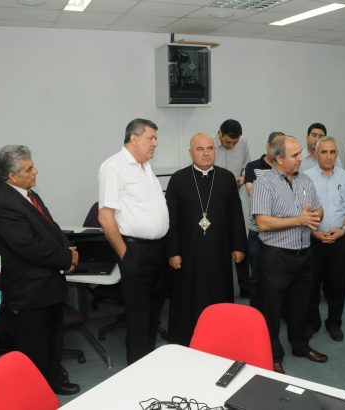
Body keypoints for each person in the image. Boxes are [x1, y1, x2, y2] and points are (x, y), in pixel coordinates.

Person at [0, 145, 80, 395]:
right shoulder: (4, 204)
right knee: (36, 347)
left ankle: (53, 380)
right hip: (30, 292)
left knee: (52, 339)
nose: (35, 171)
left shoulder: (28, 194)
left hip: (47, 287)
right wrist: (66, 258)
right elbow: (29, 247)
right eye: (29, 169)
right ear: (12, 176)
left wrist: (68, 249)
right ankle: (38, 392)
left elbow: (51, 227)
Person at [252, 135, 326, 374]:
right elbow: (263, 223)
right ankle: (273, 356)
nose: (301, 158)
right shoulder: (264, 183)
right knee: (272, 310)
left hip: (304, 255)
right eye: (295, 155)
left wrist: (314, 216)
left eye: (300, 153)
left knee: (300, 305)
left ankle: (300, 346)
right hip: (276, 256)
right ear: (279, 158)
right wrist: (299, 220)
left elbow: (319, 209)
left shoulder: (305, 180)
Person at [98, 118, 169, 364]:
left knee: (154, 312)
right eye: (151, 138)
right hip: (135, 250)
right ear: (134, 138)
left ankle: (148, 363)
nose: (155, 143)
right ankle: (138, 368)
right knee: (139, 316)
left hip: (156, 249)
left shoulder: (145, 166)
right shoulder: (114, 167)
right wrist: (125, 255)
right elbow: (105, 216)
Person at [165, 133, 247, 346]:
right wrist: (172, 251)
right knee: (188, 296)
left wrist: (238, 245)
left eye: (210, 148)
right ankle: (186, 339)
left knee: (219, 293)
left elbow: (236, 214)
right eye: (200, 149)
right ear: (190, 152)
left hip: (219, 250)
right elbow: (170, 220)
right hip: (187, 252)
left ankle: (220, 337)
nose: (206, 153)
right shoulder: (178, 179)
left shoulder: (226, 178)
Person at [304, 136, 345, 342]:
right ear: (315, 154)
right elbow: (301, 211)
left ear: (337, 154)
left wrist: (344, 229)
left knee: (338, 285)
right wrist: (314, 232)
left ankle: (334, 322)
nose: (328, 156)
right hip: (314, 239)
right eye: (324, 152)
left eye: (332, 152)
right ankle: (313, 322)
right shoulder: (305, 178)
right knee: (311, 285)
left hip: (340, 239)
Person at [244, 131, 284, 309]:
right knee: (257, 276)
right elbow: (253, 195)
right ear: (268, 146)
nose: (278, 150)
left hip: (282, 233)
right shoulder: (253, 167)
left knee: (279, 275)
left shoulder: (286, 167)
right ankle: (256, 313)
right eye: (275, 146)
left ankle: (278, 311)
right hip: (257, 233)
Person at [214, 118, 251, 297]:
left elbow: (246, 167)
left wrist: (243, 177)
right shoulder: (208, 144)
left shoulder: (243, 142)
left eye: (234, 143)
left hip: (236, 195)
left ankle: (245, 286)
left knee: (240, 238)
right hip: (214, 198)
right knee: (218, 240)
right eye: (227, 142)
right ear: (219, 133)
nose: (231, 146)